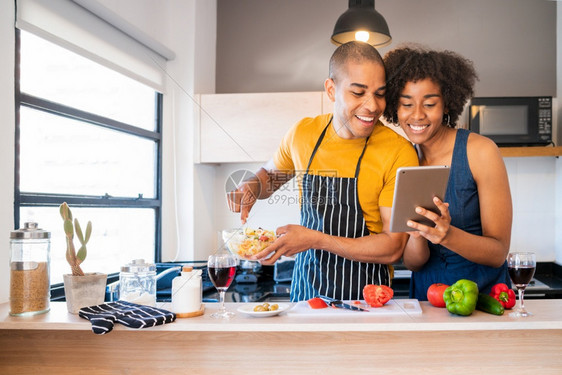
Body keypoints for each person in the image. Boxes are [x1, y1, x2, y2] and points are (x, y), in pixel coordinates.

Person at [227, 41, 419, 302]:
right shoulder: (303, 134)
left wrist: (316, 239)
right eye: (358, 93)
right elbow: (271, 177)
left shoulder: (398, 152)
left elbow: (392, 247)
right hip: (306, 298)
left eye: (379, 93)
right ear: (331, 89)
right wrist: (252, 185)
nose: (372, 106)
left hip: (368, 304)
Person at [382, 45, 513, 300]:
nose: (417, 115)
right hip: (426, 303)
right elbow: (414, 263)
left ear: (447, 104)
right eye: (406, 104)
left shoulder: (481, 152)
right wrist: (420, 235)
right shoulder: (403, 159)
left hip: (482, 301)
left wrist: (447, 234)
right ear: (394, 108)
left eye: (429, 104)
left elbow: (498, 252)